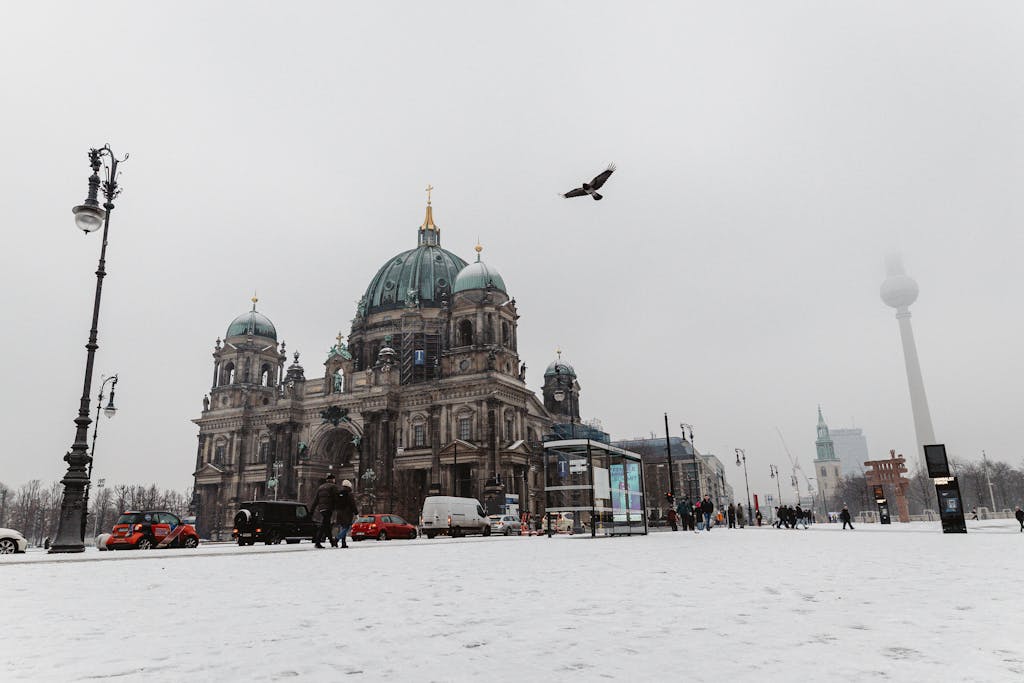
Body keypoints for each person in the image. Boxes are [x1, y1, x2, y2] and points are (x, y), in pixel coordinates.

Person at [309, 473, 340, 548]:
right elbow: (336, 498)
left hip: (321, 508)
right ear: (333, 479)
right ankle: (318, 542)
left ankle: (331, 542)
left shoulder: (320, 487)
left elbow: (316, 499)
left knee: (326, 524)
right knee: (324, 525)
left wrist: (312, 510)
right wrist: (337, 507)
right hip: (329, 508)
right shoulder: (333, 486)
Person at [335, 479, 360, 548]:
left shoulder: (339, 492)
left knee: (343, 527)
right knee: (346, 527)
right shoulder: (349, 493)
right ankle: (337, 539)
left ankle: (343, 543)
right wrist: (356, 513)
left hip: (339, 512)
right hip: (347, 513)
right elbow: (352, 504)